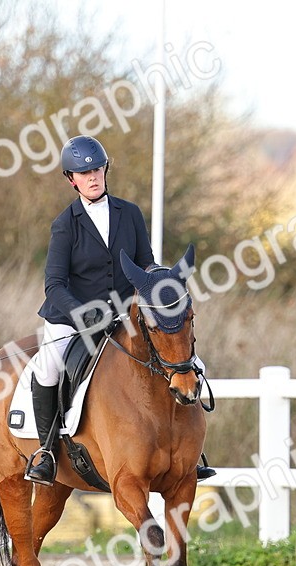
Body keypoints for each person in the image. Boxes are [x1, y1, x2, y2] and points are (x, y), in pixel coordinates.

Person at [25, 135, 216, 485]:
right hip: (73, 317)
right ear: (72, 180)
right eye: (84, 174)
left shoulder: (129, 213)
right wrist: (83, 314)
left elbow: (146, 264)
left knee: (188, 362)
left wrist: (161, 283)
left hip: (124, 314)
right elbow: (54, 285)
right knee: (49, 368)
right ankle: (47, 452)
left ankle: (190, 453)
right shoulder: (65, 224)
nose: (93, 177)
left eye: (97, 170)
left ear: (105, 170)